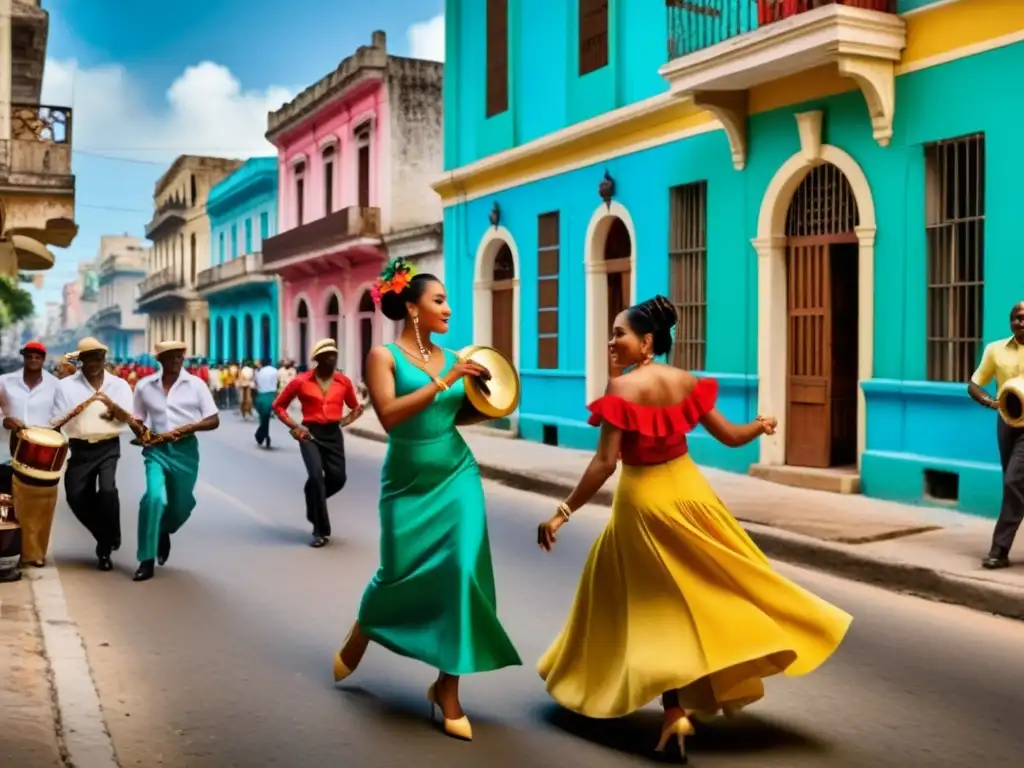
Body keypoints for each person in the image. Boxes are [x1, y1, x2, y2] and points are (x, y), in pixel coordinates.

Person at [535, 296, 852, 762]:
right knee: (719, 586)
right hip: (692, 494)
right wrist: (760, 425)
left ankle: (671, 710)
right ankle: (683, 702)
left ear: (646, 342)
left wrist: (562, 512)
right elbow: (730, 436)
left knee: (655, 609)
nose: (611, 341)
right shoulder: (685, 382)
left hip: (643, 503)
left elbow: (606, 464)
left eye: (619, 333)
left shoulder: (621, 390)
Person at [331, 259, 521, 742]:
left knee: (461, 574)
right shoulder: (384, 356)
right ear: (412, 308)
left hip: (457, 474)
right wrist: (446, 379)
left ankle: (448, 688)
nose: (449, 309)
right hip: (406, 483)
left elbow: (456, 417)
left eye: (447, 301)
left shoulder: (456, 356)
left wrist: (486, 396)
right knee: (398, 573)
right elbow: (392, 417)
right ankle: (366, 625)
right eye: (439, 301)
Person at [131, 341, 220, 582]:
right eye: (169, 356)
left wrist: (188, 428)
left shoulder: (196, 385)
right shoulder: (144, 386)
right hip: (156, 449)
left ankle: (162, 531)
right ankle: (146, 559)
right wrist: (140, 432)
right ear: (159, 359)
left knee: (182, 506)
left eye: (179, 356)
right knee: (153, 498)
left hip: (185, 450)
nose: (175, 361)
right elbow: (138, 417)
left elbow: (213, 419)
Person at [52, 337, 142, 571]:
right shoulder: (65, 386)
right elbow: (55, 421)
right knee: (75, 496)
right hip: (80, 448)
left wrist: (110, 404)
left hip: (108, 446)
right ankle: (107, 534)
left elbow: (127, 418)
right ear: (80, 360)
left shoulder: (119, 385)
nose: (94, 363)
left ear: (104, 359)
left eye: (98, 358)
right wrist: (79, 408)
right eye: (89, 358)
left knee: (108, 490)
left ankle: (104, 548)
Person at [273, 340, 364, 547]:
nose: (333, 359)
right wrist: (295, 426)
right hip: (309, 433)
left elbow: (355, 407)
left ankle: (313, 497)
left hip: (332, 433)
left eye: (334, 355)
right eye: (328, 356)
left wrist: (344, 421)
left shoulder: (343, 382)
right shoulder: (301, 381)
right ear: (319, 360)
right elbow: (279, 406)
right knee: (315, 476)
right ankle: (320, 530)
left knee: (338, 478)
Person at [968, 300, 1024, 569]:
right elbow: (974, 384)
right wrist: (991, 402)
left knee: (1015, 481)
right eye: (1015, 318)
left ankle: (999, 550)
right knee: (1014, 484)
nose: (1020, 322)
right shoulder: (995, 350)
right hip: (1008, 423)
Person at [0, 341, 60, 567]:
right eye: (29, 355)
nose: (33, 359)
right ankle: (7, 551)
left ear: (43, 360)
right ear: (23, 357)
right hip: (6, 450)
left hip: (40, 457)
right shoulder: (5, 382)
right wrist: (4, 420)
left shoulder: (55, 385)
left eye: (38, 356)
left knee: (38, 507)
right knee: (7, 503)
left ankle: (33, 554)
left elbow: (61, 417)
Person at [253, 360, 279, 448]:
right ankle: (263, 434)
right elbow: (277, 383)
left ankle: (261, 434)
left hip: (261, 395)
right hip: (271, 395)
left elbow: (256, 384)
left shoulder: (259, 372)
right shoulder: (275, 371)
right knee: (266, 417)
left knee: (263, 417)